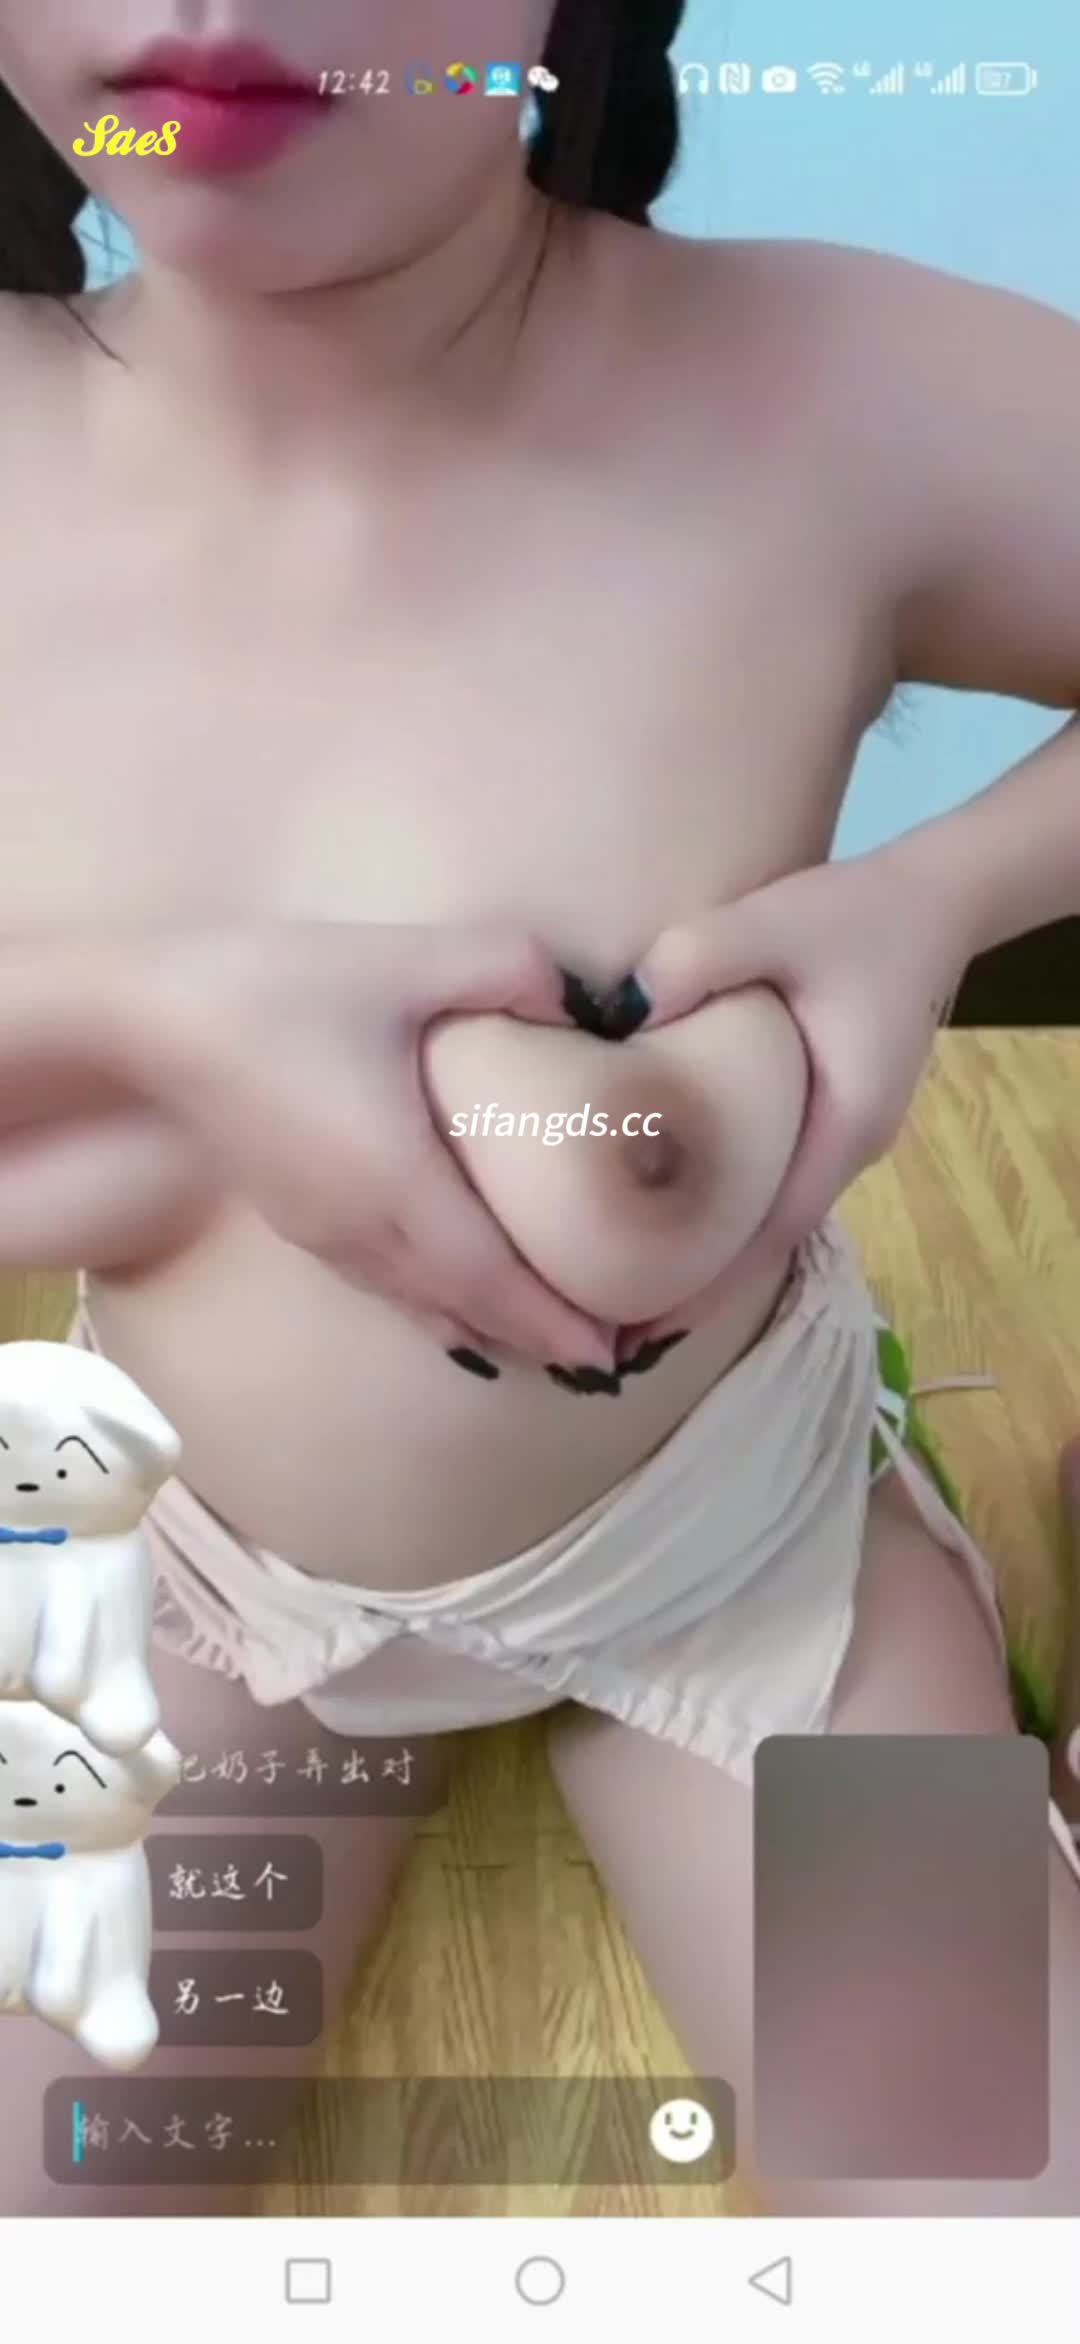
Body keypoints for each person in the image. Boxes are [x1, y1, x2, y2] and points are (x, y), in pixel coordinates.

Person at [0, 0, 1078, 2217]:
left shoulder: (828, 389)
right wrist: (153, 1026)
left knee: (995, 2235)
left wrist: (937, 896)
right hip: (192, 1566)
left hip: (749, 1559)